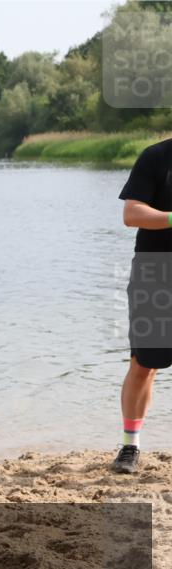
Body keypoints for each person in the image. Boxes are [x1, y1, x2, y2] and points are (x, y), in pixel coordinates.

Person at [114, 137, 171, 473]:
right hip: (156, 275)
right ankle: (130, 446)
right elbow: (131, 213)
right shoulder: (156, 156)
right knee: (143, 365)